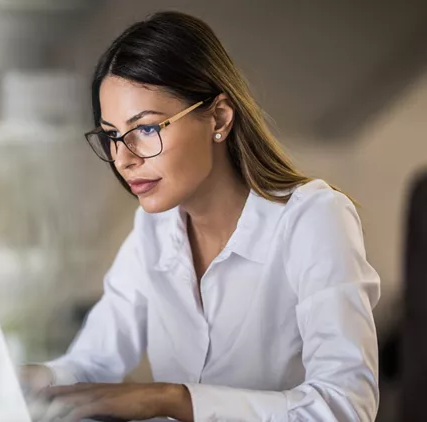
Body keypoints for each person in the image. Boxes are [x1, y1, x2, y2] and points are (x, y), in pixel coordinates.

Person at [20, 11, 380, 422]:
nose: (124, 158)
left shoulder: (312, 218)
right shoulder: (153, 231)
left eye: (148, 128)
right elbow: (92, 363)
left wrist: (173, 399)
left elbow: (347, 406)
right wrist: (22, 379)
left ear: (219, 118)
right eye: (112, 135)